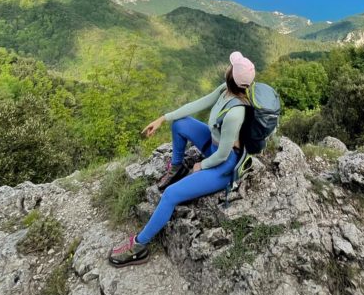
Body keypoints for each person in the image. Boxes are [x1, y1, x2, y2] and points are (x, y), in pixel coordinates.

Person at [108, 50, 256, 267]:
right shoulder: (225, 90)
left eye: (231, 66)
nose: (228, 66)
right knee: (180, 123)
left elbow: (224, 154)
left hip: (223, 165)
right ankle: (176, 167)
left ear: (231, 76)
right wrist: (162, 119)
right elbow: (196, 105)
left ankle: (138, 247)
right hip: (214, 145)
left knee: (170, 195)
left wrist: (201, 165)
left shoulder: (236, 113)